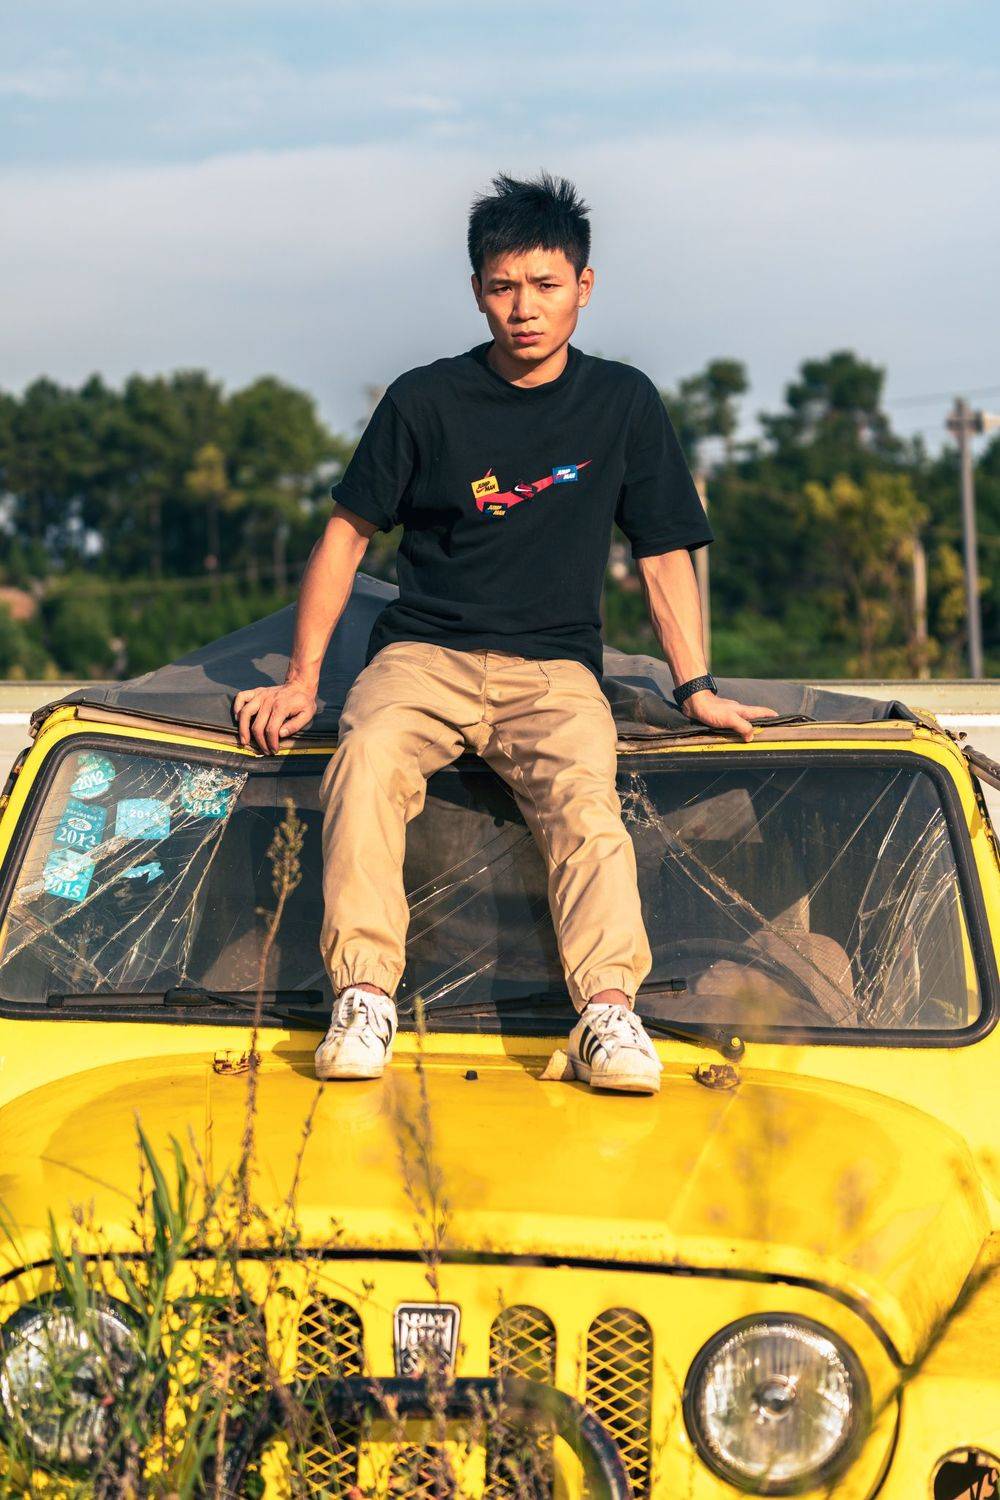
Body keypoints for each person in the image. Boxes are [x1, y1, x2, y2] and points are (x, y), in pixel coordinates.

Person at [233, 171, 775, 1095]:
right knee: (363, 761)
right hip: (423, 654)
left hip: (556, 667)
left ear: (584, 287)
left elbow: (662, 554)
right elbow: (346, 535)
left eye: (545, 285)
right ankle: (363, 997)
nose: (523, 309)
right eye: (502, 286)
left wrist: (696, 687)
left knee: (587, 804)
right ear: (477, 289)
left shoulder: (623, 403)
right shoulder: (425, 400)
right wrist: (301, 679)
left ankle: (608, 1014)